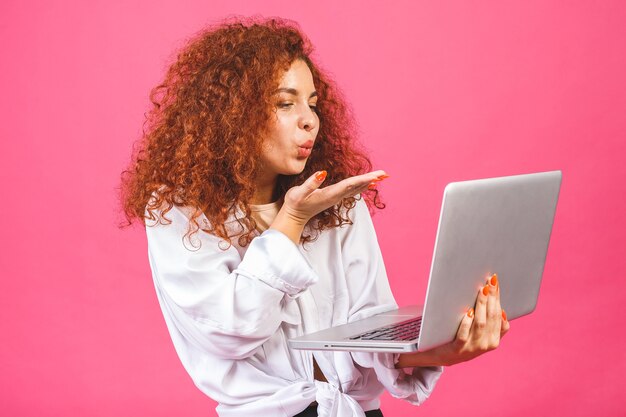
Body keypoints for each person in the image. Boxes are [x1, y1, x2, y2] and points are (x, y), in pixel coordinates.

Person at [121, 17, 510, 417]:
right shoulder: (179, 211)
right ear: (231, 113)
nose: (310, 120)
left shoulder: (336, 202)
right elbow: (229, 333)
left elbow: (367, 326)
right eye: (285, 103)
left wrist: (435, 351)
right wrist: (291, 219)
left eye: (312, 103)